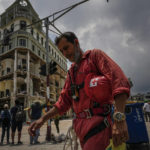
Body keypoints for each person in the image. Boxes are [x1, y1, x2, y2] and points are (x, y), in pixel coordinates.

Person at [28, 32, 130, 150]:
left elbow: (119, 81)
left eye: (66, 48)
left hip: (99, 127)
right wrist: (43, 119)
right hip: (81, 131)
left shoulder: (94, 56)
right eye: (62, 51)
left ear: (76, 43)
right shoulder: (71, 73)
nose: (65, 54)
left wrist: (119, 120)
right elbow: (62, 103)